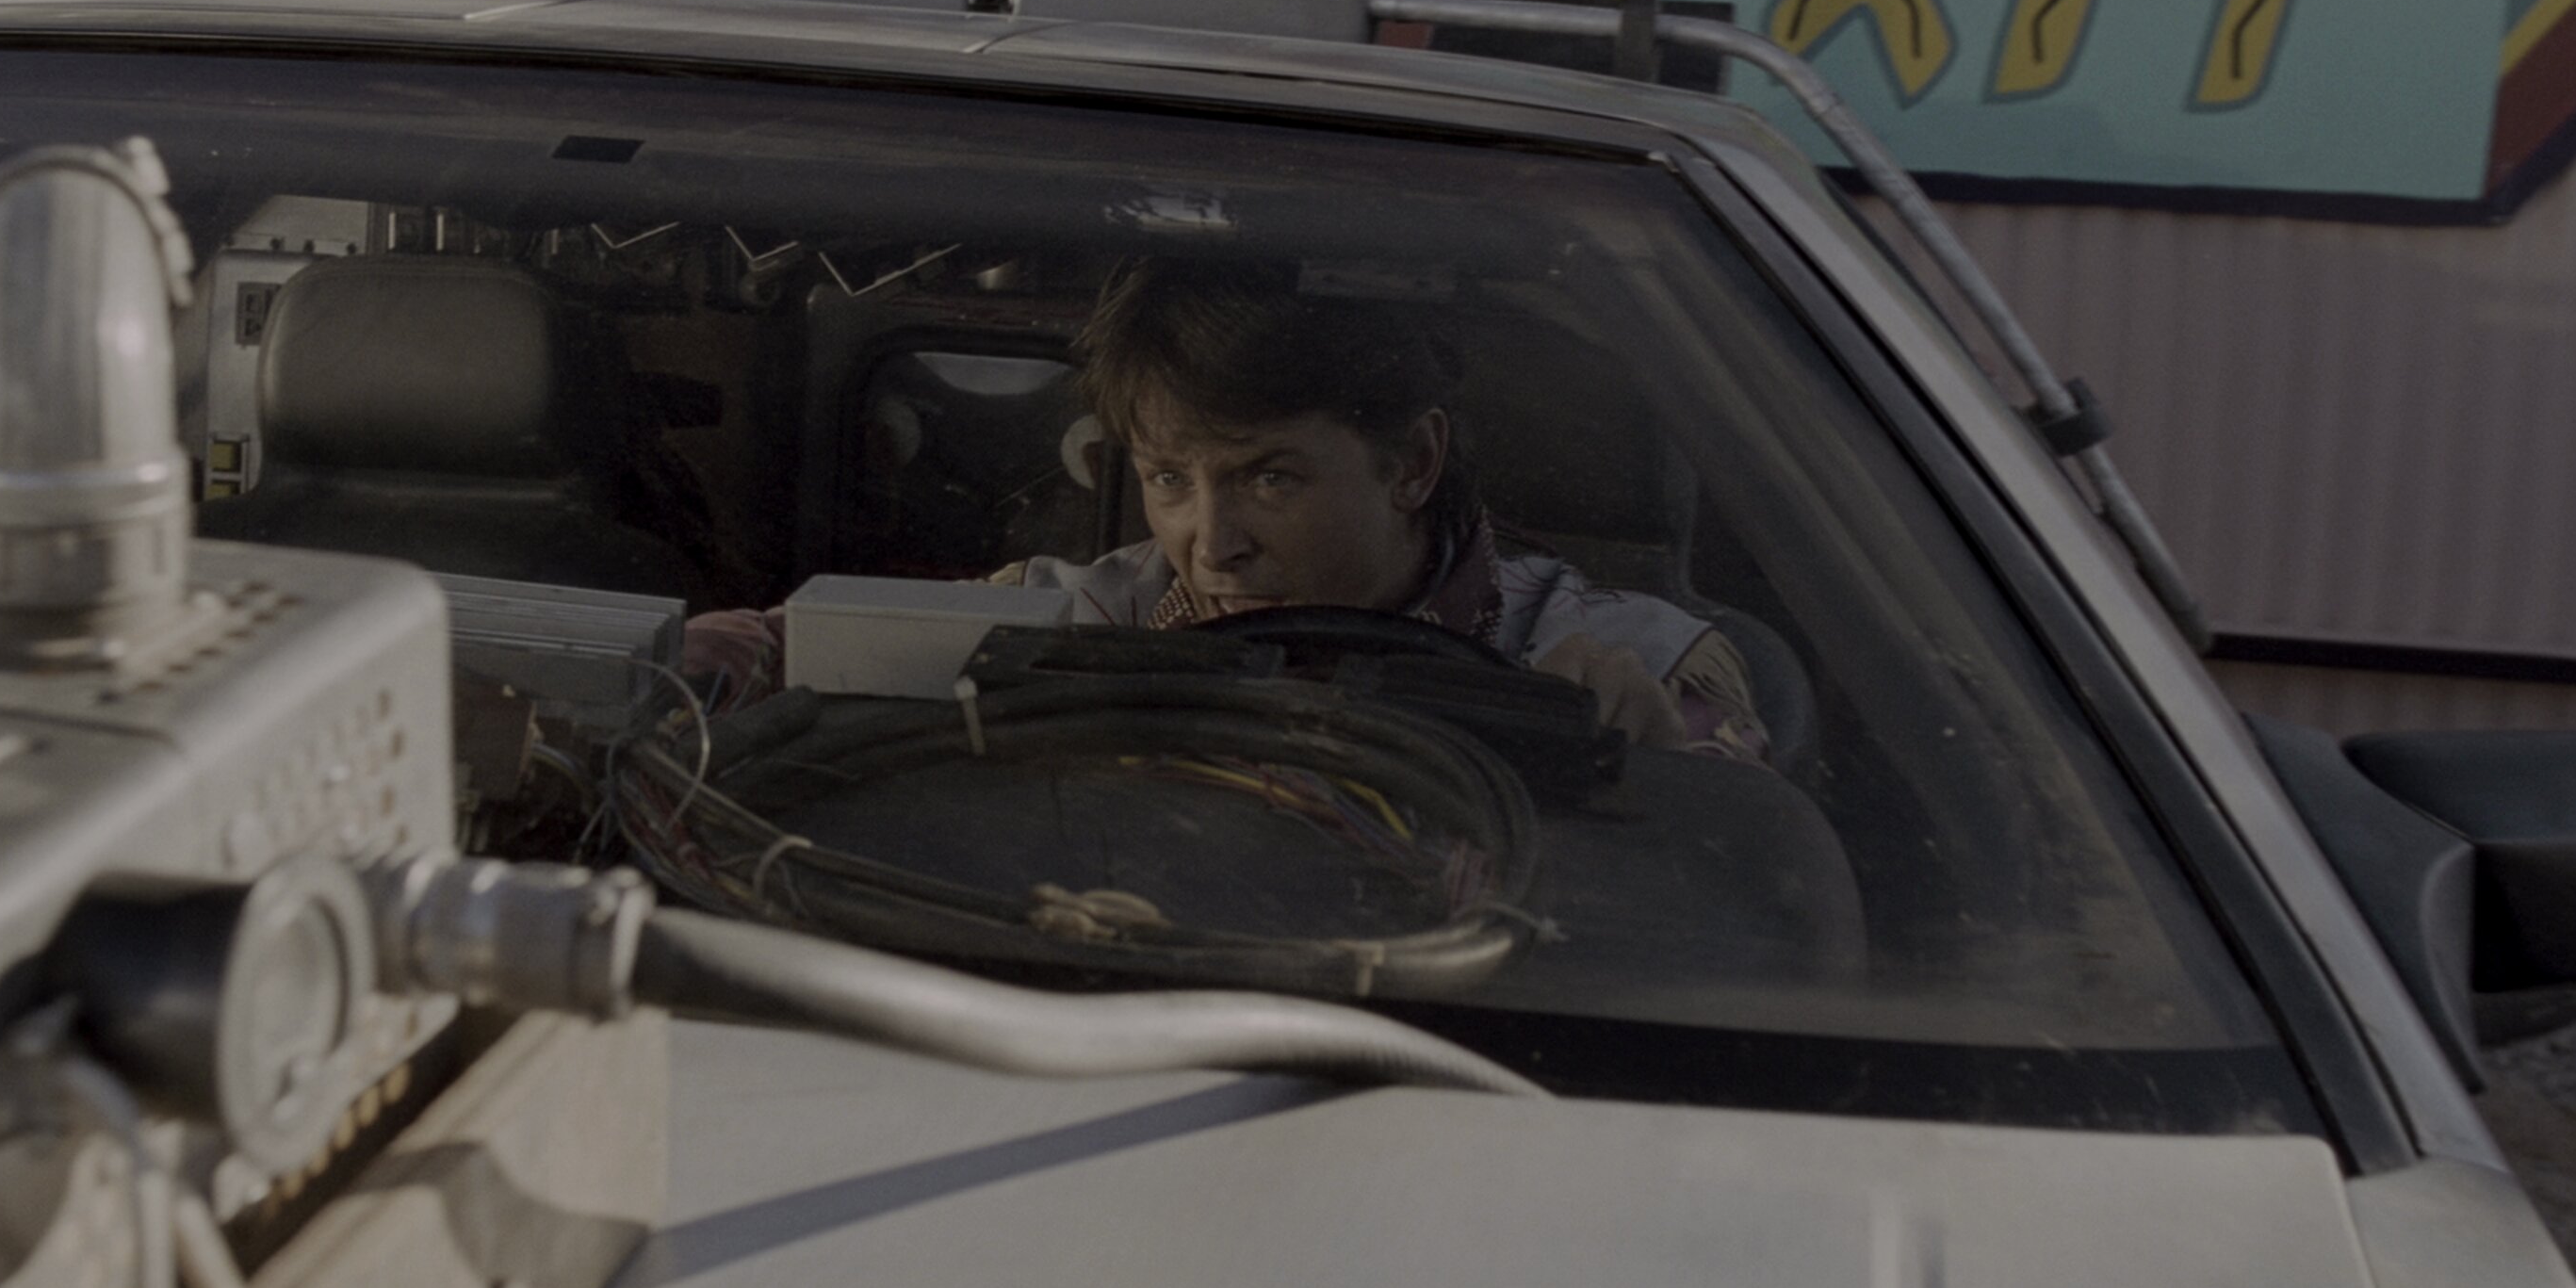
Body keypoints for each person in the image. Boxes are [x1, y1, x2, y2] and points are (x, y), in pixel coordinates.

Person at [686, 261, 1772, 766]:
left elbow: (1747, 866)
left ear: (1412, 462)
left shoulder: (1615, 664)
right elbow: (786, 650)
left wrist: (1646, 763)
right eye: (1169, 480)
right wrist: (695, 662)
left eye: (1270, 479)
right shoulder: (1087, 617)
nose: (1211, 546)